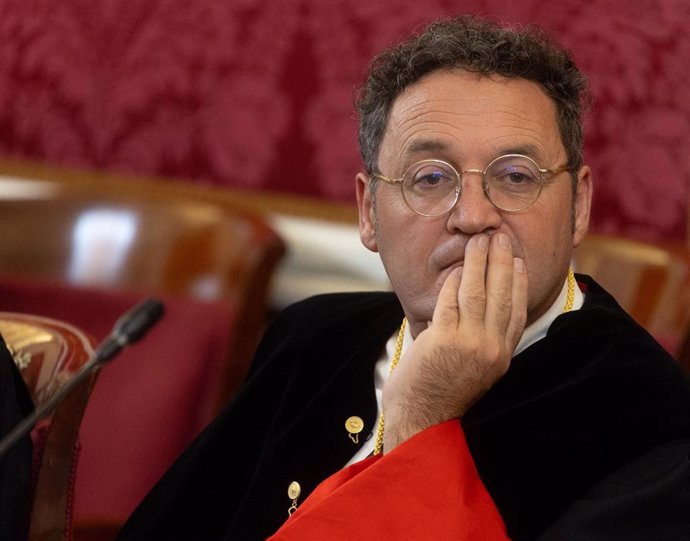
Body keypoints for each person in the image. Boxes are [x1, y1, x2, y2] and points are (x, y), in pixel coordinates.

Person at [117, 14, 690, 540]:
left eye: (516, 176)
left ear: (579, 207)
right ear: (369, 213)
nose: (472, 215)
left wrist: (420, 421)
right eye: (430, 177)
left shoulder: (651, 421)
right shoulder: (313, 339)